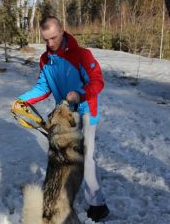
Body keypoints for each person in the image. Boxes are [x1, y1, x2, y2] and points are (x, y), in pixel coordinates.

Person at [12, 16, 109, 222]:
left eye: (54, 38)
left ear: (63, 31)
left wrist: (80, 94)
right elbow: (43, 87)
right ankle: (63, 198)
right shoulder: (45, 60)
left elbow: (98, 81)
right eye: (46, 39)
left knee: (86, 159)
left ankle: (98, 205)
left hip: (84, 112)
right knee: (62, 159)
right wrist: (22, 101)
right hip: (64, 116)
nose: (50, 44)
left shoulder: (82, 55)